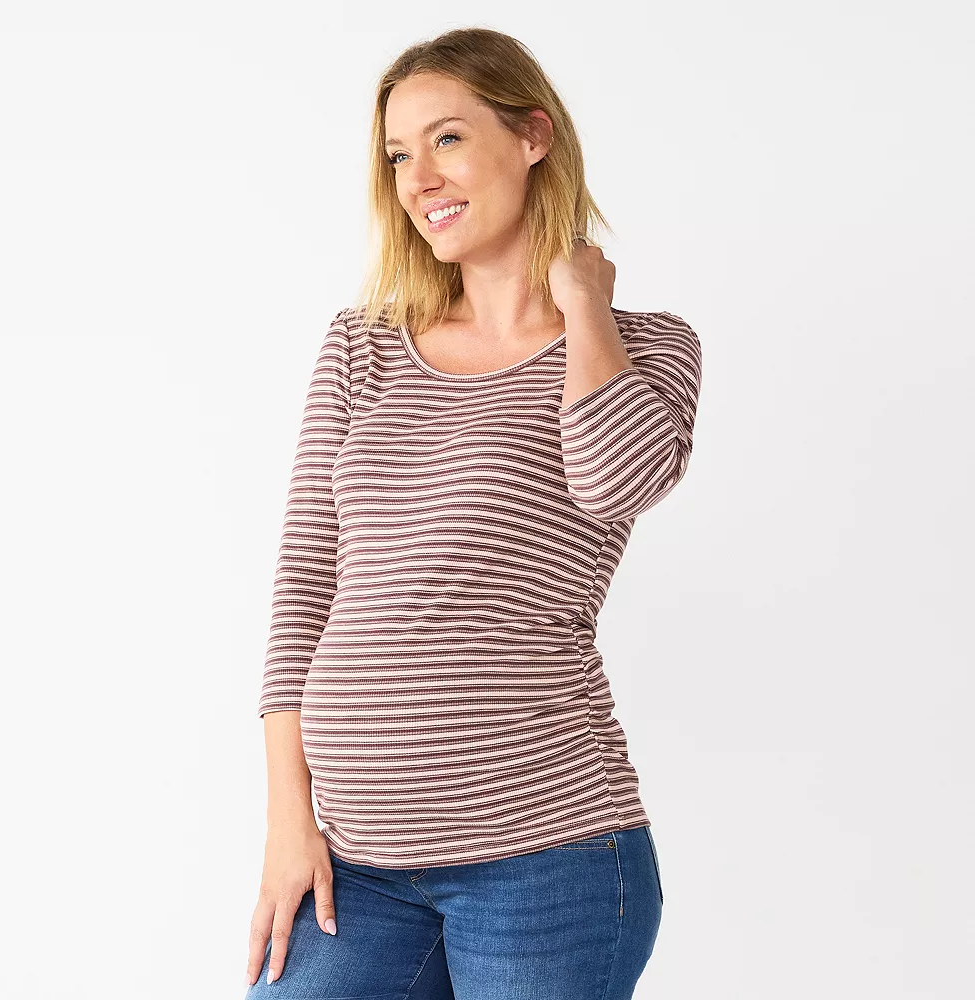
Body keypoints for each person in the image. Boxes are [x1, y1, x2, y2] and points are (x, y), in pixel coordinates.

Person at [245, 26, 701, 1000]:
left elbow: (617, 483)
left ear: (532, 135)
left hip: (547, 861)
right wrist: (289, 822)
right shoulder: (362, 345)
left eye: (446, 139)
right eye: (397, 155)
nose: (419, 179)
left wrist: (583, 302)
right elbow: (305, 588)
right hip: (356, 868)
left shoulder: (647, 348)